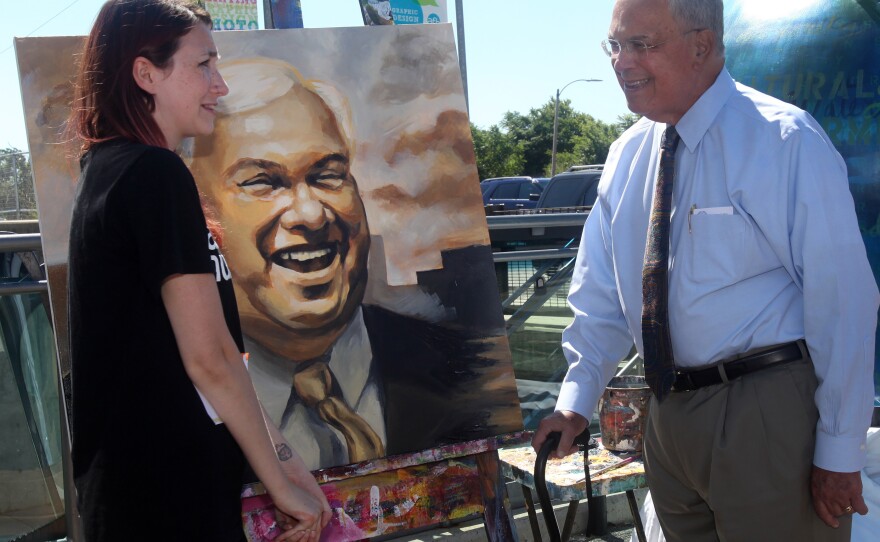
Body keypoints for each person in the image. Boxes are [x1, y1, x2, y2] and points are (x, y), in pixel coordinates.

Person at [532, 0, 878, 540]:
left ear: (702, 45)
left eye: (642, 44)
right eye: (615, 45)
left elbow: (844, 304)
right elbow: (601, 296)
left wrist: (839, 448)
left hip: (762, 413)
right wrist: (575, 403)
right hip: (668, 420)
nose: (622, 62)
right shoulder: (626, 157)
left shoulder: (783, 139)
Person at [66, 2, 330, 540]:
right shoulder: (152, 174)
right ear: (146, 74)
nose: (221, 85)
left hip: (145, 491)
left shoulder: (115, 169)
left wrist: (283, 461)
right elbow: (207, 359)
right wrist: (278, 486)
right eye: (204, 64)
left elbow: (218, 357)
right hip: (163, 496)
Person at [185, 57, 521, 470]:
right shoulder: (173, 407)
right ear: (200, 212)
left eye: (328, 174)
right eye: (262, 182)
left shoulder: (462, 366)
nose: (310, 215)